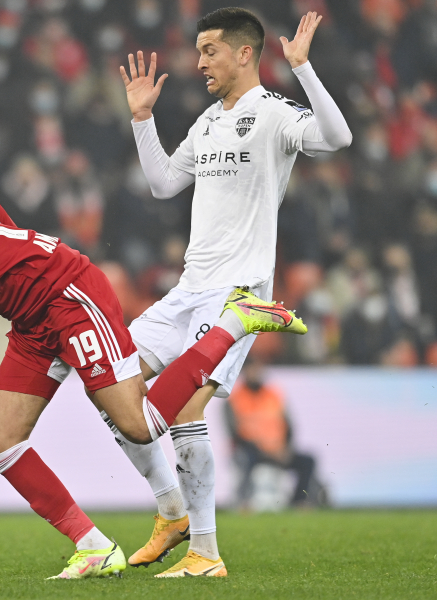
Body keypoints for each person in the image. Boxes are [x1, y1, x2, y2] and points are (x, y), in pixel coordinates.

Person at [0, 183, 307, 579]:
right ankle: (93, 547)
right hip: (33, 320)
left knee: (139, 425)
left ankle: (235, 322)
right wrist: (12, 248)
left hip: (69, 297)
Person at [112, 8, 352, 577]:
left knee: (188, 406)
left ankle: (206, 552)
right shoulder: (207, 121)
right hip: (187, 289)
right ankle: (172, 513)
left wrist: (305, 70)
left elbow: (337, 138)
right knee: (111, 383)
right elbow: (163, 183)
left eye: (210, 50)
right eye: (198, 51)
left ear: (245, 53)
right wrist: (142, 119)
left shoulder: (274, 113)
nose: (199, 63)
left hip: (238, 297)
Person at [225, 360, 323, 509]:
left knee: (308, 460)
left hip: (278, 450)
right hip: (252, 450)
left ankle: (299, 501)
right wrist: (264, 450)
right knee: (246, 459)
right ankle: (243, 502)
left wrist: (285, 448)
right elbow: (235, 433)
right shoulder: (236, 398)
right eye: (252, 371)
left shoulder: (273, 395)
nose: (256, 374)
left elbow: (288, 426)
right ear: (244, 373)